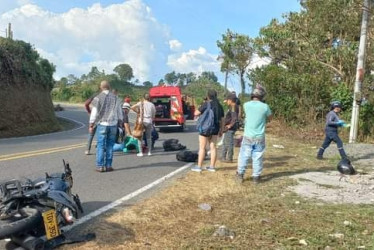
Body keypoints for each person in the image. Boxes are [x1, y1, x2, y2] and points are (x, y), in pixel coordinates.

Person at [236, 85, 272, 184]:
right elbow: (270, 118)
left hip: (248, 136)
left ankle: (240, 175)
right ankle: (256, 177)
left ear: (252, 95)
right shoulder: (265, 107)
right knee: (257, 157)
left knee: (244, 155)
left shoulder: (246, 105)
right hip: (259, 137)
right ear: (262, 97)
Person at [89, 80, 123, 172]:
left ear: (101, 87)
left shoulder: (98, 98)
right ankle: (108, 165)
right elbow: (120, 113)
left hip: (102, 124)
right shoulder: (116, 98)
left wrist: (91, 124)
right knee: (110, 145)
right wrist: (120, 123)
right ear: (109, 87)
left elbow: (94, 113)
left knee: (100, 145)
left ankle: (100, 166)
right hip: (113, 125)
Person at [191, 89, 224, 172]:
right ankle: (212, 167)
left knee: (202, 147)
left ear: (208, 96)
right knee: (213, 147)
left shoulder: (206, 104)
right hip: (215, 128)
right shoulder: (219, 106)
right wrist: (221, 130)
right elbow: (222, 119)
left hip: (205, 128)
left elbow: (196, 113)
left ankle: (199, 167)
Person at [220, 93, 238, 163]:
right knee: (225, 142)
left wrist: (230, 125)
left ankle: (229, 158)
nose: (227, 102)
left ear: (230, 100)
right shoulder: (231, 107)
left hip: (230, 129)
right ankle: (223, 157)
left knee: (229, 143)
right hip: (228, 128)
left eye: (227, 100)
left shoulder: (233, 107)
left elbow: (234, 118)